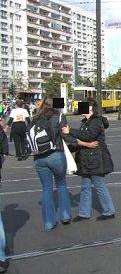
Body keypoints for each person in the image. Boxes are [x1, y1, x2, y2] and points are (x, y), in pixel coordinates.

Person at [63, 98, 116, 221]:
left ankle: (109, 211)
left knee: (99, 185)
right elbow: (83, 140)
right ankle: (84, 213)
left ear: (90, 108)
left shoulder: (96, 122)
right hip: (86, 159)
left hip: (96, 159)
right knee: (85, 186)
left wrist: (70, 130)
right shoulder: (86, 122)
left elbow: (88, 136)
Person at [31, 97, 72, 230]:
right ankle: (65, 216)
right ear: (56, 105)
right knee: (61, 184)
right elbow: (66, 135)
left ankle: (49, 222)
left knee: (46, 189)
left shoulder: (36, 118)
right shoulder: (60, 116)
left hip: (39, 157)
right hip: (56, 154)